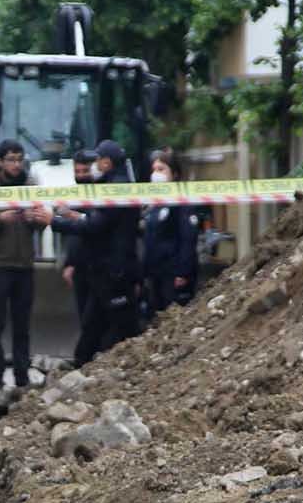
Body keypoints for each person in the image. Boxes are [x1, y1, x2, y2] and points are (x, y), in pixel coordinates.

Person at [53, 137, 142, 365]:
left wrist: (53, 222)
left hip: (114, 271)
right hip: (102, 269)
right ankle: (80, 364)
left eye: (98, 160)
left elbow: (94, 225)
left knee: (121, 327)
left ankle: (111, 367)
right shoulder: (109, 186)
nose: (94, 166)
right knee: (92, 323)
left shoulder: (116, 189)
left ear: (107, 162)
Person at [0, 138, 50, 391]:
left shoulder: (31, 185)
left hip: (24, 265)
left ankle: (22, 378)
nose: (16, 165)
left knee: (22, 325)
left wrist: (36, 219)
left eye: (19, 160)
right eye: (11, 159)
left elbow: (42, 223)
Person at [142, 156, 201, 315]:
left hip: (174, 273)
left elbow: (188, 239)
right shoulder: (154, 203)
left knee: (174, 317)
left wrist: (183, 272)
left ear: (174, 174)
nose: (156, 174)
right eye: (154, 170)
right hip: (156, 273)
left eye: (161, 169)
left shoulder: (182, 202)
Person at [62, 148, 98, 325]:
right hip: (80, 267)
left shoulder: (105, 193)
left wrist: (72, 216)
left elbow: (94, 225)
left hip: (100, 266)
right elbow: (73, 234)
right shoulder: (74, 196)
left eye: (85, 171)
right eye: (77, 172)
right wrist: (70, 263)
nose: (81, 176)